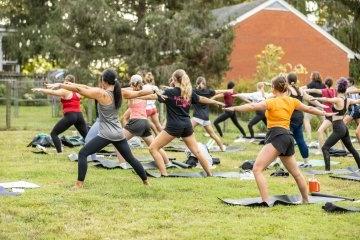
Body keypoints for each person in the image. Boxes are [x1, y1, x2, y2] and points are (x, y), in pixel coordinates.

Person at [224, 75, 335, 203]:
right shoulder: (292, 101)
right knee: (297, 173)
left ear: (273, 88)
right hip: (287, 137)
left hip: (277, 136)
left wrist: (234, 108)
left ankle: (265, 201)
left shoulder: (271, 101)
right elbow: (309, 108)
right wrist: (325, 113)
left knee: (257, 169)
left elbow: (253, 107)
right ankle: (305, 200)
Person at [47, 69, 153, 188]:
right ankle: (146, 182)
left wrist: (61, 85)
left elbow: (82, 90)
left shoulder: (102, 94)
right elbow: (139, 93)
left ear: (104, 81)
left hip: (106, 134)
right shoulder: (119, 92)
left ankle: (78, 185)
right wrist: (154, 91)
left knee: (82, 153)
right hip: (118, 133)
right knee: (131, 159)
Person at [144, 69, 224, 176]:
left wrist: (135, 95)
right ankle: (210, 174)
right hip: (187, 125)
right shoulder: (188, 92)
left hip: (174, 126)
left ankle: (164, 174)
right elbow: (202, 98)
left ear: (174, 79)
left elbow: (151, 96)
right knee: (197, 151)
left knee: (153, 148)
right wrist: (214, 101)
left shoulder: (169, 93)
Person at [312, 78, 360, 171]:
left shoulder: (338, 100)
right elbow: (358, 101)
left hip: (339, 127)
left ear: (338, 88)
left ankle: (327, 171)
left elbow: (326, 99)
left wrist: (315, 98)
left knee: (325, 148)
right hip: (343, 127)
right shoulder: (348, 100)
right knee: (351, 149)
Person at [122, 74, 171, 166]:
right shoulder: (144, 92)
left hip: (135, 122)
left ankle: (122, 164)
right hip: (145, 122)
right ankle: (168, 162)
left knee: (118, 141)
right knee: (155, 146)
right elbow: (151, 92)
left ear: (132, 84)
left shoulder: (132, 94)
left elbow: (129, 102)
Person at [32, 75, 88, 153]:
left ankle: (60, 152)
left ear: (66, 81)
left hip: (71, 116)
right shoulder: (78, 91)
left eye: (65, 81)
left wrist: (41, 89)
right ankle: (92, 151)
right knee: (87, 136)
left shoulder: (65, 90)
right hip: (79, 115)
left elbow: (53, 92)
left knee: (54, 134)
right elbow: (86, 88)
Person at [191, 76, 226, 151]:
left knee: (187, 129)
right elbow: (218, 91)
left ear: (197, 83)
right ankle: (222, 148)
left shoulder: (194, 91)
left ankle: (193, 145)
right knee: (213, 134)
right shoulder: (207, 91)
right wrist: (227, 90)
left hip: (197, 117)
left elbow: (182, 90)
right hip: (205, 117)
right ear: (204, 84)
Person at [305, 77, 336, 154]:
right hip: (332, 112)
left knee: (320, 131)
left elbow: (314, 90)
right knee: (332, 130)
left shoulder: (324, 91)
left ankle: (320, 150)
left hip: (327, 113)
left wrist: (306, 91)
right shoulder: (334, 90)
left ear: (325, 84)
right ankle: (329, 145)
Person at [301, 72, 326, 141]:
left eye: (311, 75)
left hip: (311, 107)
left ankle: (309, 137)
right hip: (320, 106)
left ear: (313, 77)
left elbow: (303, 88)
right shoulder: (323, 85)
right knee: (324, 122)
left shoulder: (311, 84)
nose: (310, 77)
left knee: (306, 120)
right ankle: (328, 136)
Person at [343, 77, 360, 143]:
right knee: (358, 127)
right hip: (357, 108)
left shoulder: (348, 89)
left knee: (342, 124)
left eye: (347, 83)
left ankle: (345, 139)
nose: (346, 84)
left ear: (351, 83)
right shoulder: (355, 88)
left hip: (354, 108)